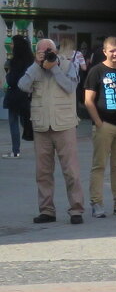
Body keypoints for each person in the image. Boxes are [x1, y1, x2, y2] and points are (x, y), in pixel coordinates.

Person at [18, 38, 85, 224]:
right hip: (41, 126)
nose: (47, 53)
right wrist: (36, 65)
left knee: (71, 171)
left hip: (64, 125)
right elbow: (22, 86)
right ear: (36, 53)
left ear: (56, 50)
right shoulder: (34, 69)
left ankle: (76, 209)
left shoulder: (67, 65)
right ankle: (47, 210)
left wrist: (54, 67)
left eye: (49, 50)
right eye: (42, 51)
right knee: (43, 172)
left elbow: (71, 87)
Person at [84, 36, 116, 218]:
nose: (115, 54)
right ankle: (96, 203)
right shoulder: (96, 71)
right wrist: (99, 123)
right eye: (112, 51)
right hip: (104, 125)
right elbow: (88, 100)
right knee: (99, 166)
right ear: (105, 52)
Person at [4, 35, 35, 158]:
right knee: (26, 121)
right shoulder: (30, 60)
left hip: (15, 95)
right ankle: (40, 144)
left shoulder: (15, 61)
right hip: (26, 95)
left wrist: (8, 76)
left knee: (13, 122)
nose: (10, 46)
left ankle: (15, 150)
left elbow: (12, 80)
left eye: (12, 43)